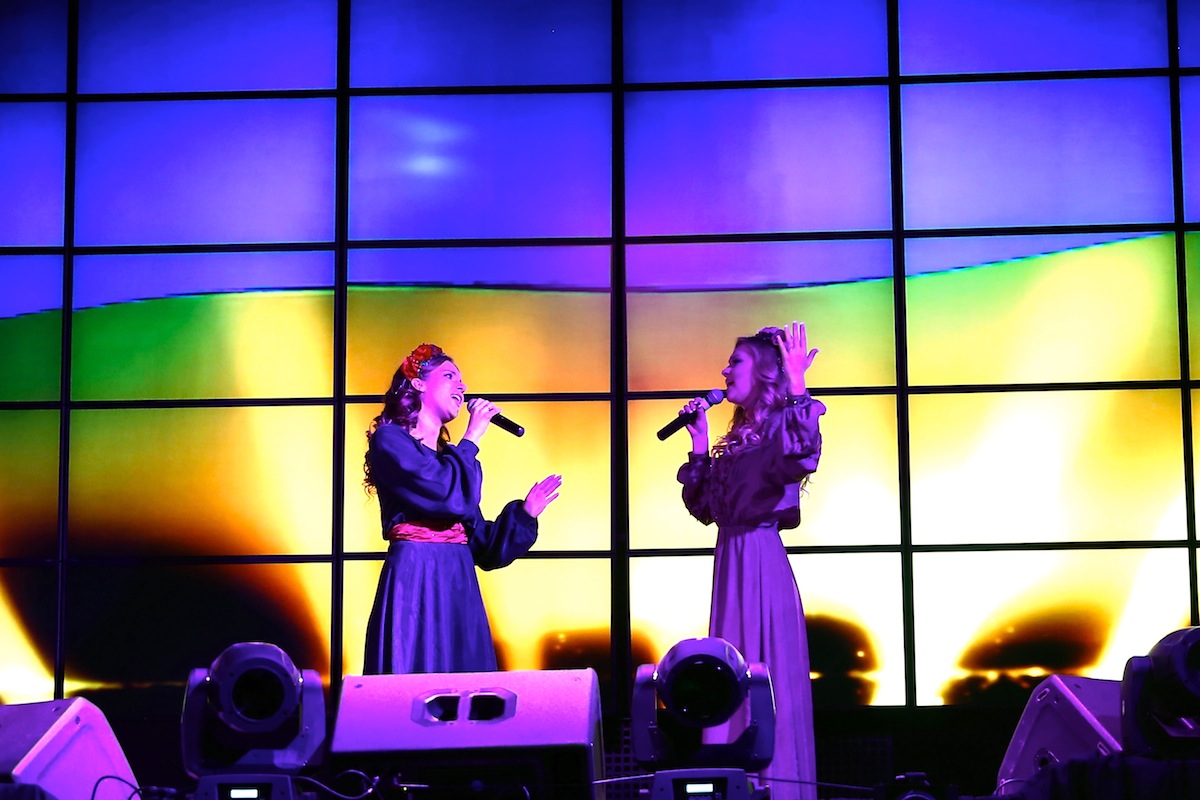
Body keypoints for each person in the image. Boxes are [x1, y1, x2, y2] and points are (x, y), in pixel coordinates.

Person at [675, 321, 826, 800]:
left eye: (734, 362)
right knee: (730, 675)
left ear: (762, 371)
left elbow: (802, 455)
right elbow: (705, 508)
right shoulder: (739, 440)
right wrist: (700, 443)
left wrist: (798, 384)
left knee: (764, 675)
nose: (724, 371)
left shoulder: (782, 427)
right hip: (731, 562)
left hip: (760, 561)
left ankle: (776, 788)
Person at [362, 342, 562, 674]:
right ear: (418, 383)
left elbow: (483, 546)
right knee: (414, 672)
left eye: (461, 379)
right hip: (417, 572)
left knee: (463, 681)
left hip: (457, 578)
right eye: (450, 376)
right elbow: (445, 494)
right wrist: (471, 438)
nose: (463, 386)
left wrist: (525, 514)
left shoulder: (451, 463)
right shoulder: (390, 440)